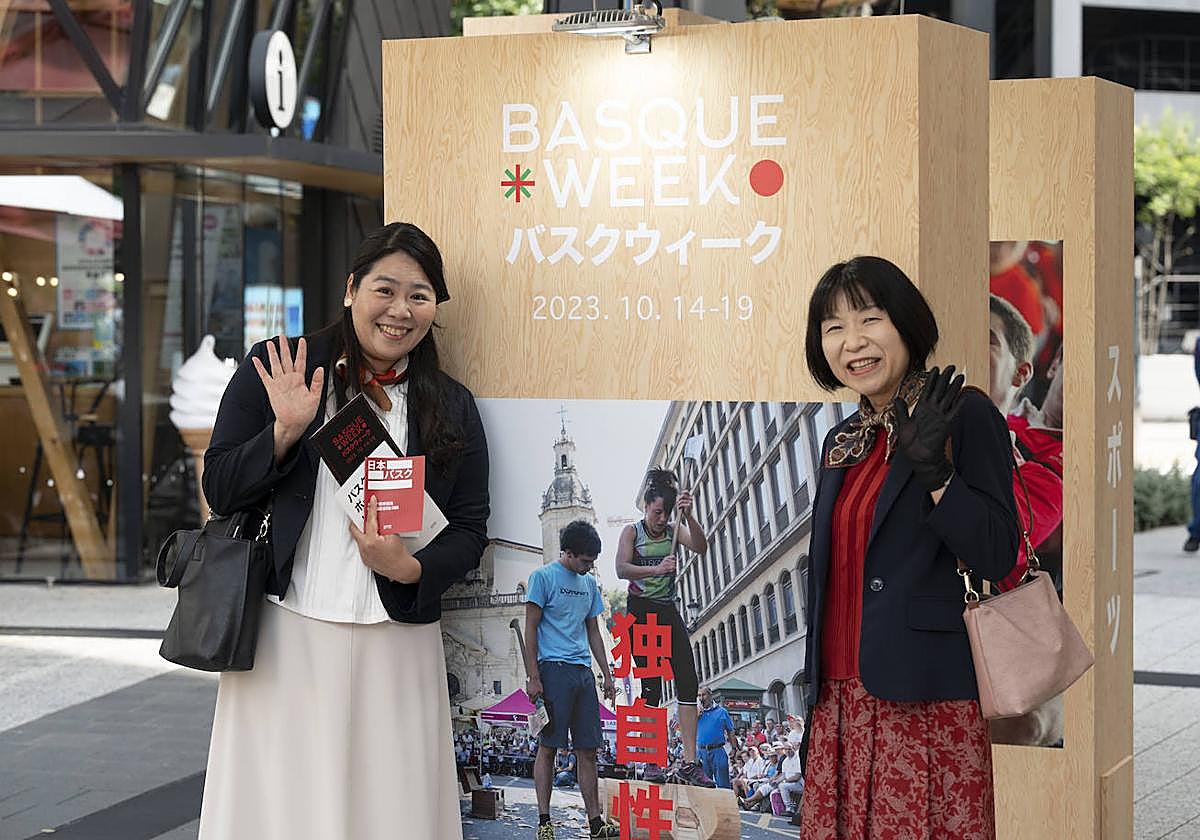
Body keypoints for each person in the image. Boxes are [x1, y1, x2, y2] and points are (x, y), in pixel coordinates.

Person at [198, 223, 490, 840]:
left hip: (399, 642)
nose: (400, 310)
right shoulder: (281, 368)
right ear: (352, 289)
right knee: (281, 810)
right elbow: (220, 487)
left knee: (393, 809)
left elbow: (469, 529)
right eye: (385, 289)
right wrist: (284, 432)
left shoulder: (451, 405)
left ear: (435, 308)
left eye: (419, 295)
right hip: (287, 630)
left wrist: (409, 569)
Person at [799, 256, 1018, 839]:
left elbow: (999, 554)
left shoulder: (963, 414)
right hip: (839, 701)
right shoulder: (841, 441)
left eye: (870, 319)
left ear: (906, 324)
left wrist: (937, 476)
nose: (853, 342)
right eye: (834, 327)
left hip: (926, 700)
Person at [615, 468, 712, 787]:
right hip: (641, 613)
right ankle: (653, 760)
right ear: (646, 506)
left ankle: (689, 761)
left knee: (688, 680)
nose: (661, 519)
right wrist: (658, 568)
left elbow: (700, 546)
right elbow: (621, 569)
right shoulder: (632, 532)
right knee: (652, 688)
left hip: (668, 610)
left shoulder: (673, 529)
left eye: (666, 513)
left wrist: (690, 516)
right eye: (657, 512)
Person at [524, 520, 621, 840]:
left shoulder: (590, 584)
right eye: (585, 561)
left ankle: (595, 823)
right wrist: (533, 676)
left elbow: (594, 630)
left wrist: (607, 675)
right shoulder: (543, 577)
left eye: (593, 561)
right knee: (549, 748)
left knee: (588, 751)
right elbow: (531, 629)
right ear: (567, 553)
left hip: (582, 674)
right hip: (552, 670)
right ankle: (544, 821)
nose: (590, 566)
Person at [987, 294, 1064, 592]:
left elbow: (995, 546)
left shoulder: (1053, 473)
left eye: (986, 340)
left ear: (1021, 373)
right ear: (1056, 363)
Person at [695, 686, 737, 789]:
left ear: (710, 695)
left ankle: (725, 804)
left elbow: (730, 731)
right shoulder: (696, 713)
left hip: (718, 750)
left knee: (723, 783)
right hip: (702, 751)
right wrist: (695, 716)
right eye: (699, 695)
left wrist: (734, 748)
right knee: (703, 784)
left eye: (703, 695)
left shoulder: (722, 711)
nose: (701, 698)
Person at [777, 740, 804, 816]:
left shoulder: (798, 758)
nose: (788, 751)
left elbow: (797, 776)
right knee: (776, 785)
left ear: (793, 748)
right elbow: (783, 775)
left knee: (783, 786)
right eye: (786, 749)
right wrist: (776, 781)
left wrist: (785, 781)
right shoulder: (785, 761)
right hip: (791, 783)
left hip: (800, 784)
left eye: (789, 749)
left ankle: (789, 809)